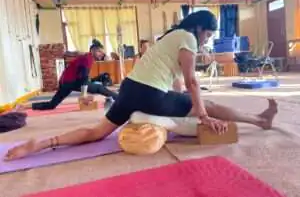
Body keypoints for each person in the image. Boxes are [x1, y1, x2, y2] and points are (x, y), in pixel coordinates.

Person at [4, 10, 278, 161]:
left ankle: (41, 144)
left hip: (129, 90)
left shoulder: (170, 38)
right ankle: (259, 121)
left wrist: (186, 100)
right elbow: (192, 79)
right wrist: (202, 111)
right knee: (212, 105)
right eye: (207, 34)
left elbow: (178, 81)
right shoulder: (188, 38)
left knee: (97, 131)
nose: (206, 40)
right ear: (198, 28)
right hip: (149, 94)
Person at [28, 39, 118, 111]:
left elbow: (83, 76)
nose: (101, 54)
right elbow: (83, 77)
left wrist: (92, 81)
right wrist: (84, 94)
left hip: (65, 82)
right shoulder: (88, 58)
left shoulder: (86, 57)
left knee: (52, 104)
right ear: (93, 51)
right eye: (99, 52)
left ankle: (29, 106)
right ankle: (120, 98)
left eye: (102, 52)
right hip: (71, 82)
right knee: (100, 88)